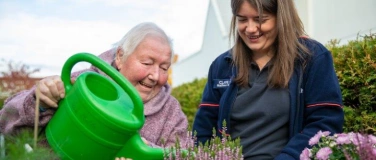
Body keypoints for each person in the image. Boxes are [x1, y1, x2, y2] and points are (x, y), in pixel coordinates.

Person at [192, 0, 344, 160]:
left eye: (260, 19)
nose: (250, 29)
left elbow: (324, 124)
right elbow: (203, 130)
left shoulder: (312, 58)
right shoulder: (221, 66)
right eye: (242, 19)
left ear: (281, 17)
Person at [0, 22, 188, 150]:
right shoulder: (82, 84)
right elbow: (6, 125)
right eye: (147, 63)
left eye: (164, 67)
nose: (155, 76)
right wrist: (39, 103)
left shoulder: (171, 112)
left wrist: (145, 153)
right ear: (120, 57)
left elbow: (184, 154)